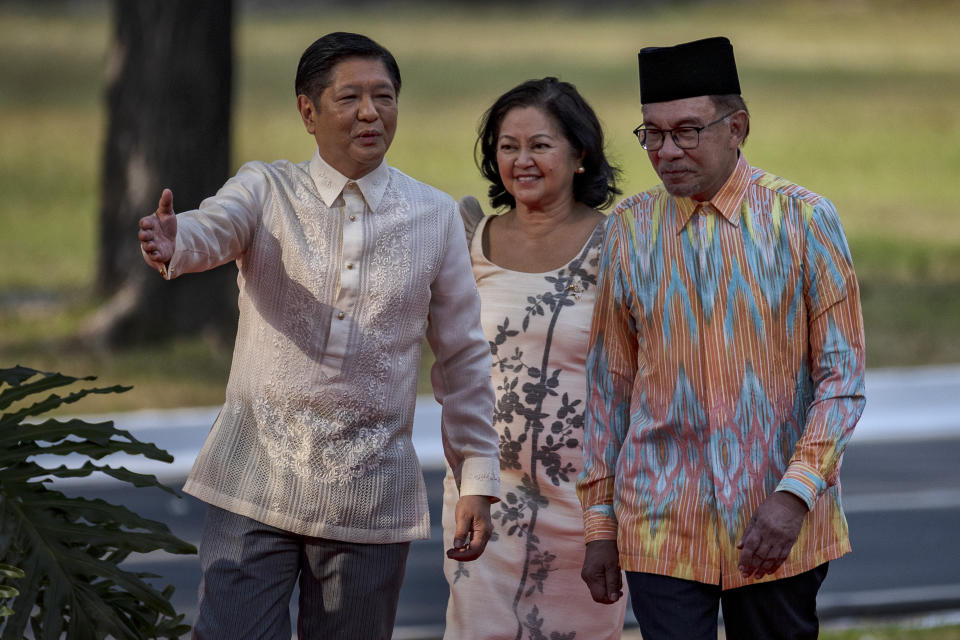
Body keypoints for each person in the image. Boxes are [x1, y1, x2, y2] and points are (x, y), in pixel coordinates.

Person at [136, 32, 500, 639]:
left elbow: (463, 360)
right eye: (349, 97)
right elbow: (217, 225)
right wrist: (179, 241)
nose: (370, 113)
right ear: (308, 112)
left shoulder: (433, 216)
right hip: (257, 471)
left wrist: (478, 480)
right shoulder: (266, 189)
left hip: (370, 487)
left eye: (384, 97)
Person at [577, 37, 866, 639]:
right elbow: (610, 387)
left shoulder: (804, 220)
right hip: (660, 518)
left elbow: (842, 379)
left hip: (776, 521)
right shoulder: (629, 230)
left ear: (737, 127)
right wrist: (601, 525)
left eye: (687, 131)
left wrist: (796, 495)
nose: (666, 151)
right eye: (652, 134)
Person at [440, 77, 628, 640]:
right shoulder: (468, 235)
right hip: (484, 502)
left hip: (584, 509)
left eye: (540, 145)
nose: (521, 160)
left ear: (579, 156)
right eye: (507, 146)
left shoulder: (620, 243)